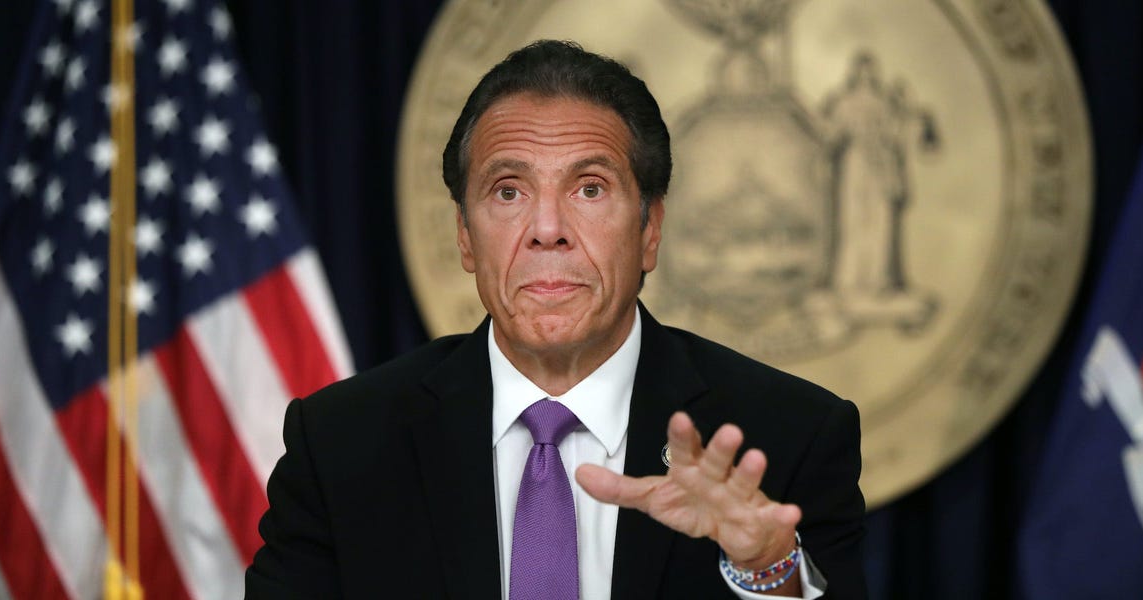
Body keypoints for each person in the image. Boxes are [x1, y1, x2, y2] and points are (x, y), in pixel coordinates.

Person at [246, 40, 865, 599]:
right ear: (465, 235)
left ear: (650, 229)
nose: (547, 230)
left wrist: (768, 568)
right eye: (508, 191)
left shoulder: (788, 437)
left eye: (589, 188)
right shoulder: (341, 444)